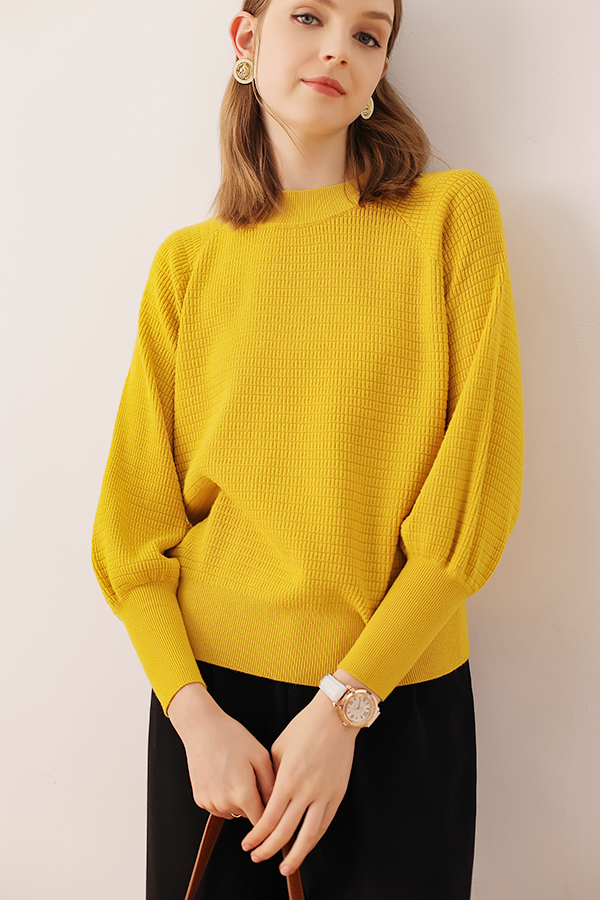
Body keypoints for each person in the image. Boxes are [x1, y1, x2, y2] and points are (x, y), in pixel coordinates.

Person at [91, 1, 525, 898]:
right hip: (215, 721)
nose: (338, 48)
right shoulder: (188, 265)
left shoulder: (452, 216)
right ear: (247, 40)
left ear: (379, 74)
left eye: (367, 34)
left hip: (394, 698)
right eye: (308, 16)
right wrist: (191, 714)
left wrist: (346, 704)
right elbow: (131, 533)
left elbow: (471, 507)